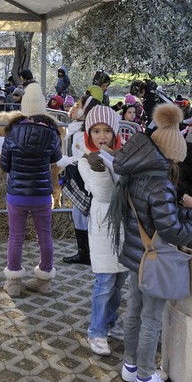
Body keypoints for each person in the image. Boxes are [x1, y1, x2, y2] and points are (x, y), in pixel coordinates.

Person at [110, 103, 192, 382]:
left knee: (134, 312)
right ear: (171, 157)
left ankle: (129, 366)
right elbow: (172, 230)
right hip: (152, 259)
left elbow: (155, 214)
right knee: (151, 319)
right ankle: (144, 374)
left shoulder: (138, 174)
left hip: (134, 254)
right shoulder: (160, 183)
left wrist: (188, 212)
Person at [1, 83, 62, 297]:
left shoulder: (12, 131)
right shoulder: (51, 132)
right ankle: (44, 281)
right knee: (44, 236)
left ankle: (14, 283)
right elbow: (56, 159)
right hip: (42, 195)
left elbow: (4, 165)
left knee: (16, 237)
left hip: (16, 194)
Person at [76, 105, 128, 356]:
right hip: (104, 225)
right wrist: (100, 169)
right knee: (105, 281)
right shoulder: (87, 161)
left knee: (119, 280)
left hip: (125, 226)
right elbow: (105, 193)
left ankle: (110, 322)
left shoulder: (124, 155)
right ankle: (96, 331)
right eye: (96, 131)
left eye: (107, 130)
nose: (102, 136)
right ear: (88, 134)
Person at [61, 95, 103, 265]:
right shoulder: (79, 129)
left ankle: (87, 252)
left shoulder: (85, 133)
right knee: (79, 213)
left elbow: (84, 159)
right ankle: (84, 251)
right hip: (82, 176)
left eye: (79, 105)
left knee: (83, 213)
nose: (75, 108)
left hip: (87, 178)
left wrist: (63, 161)